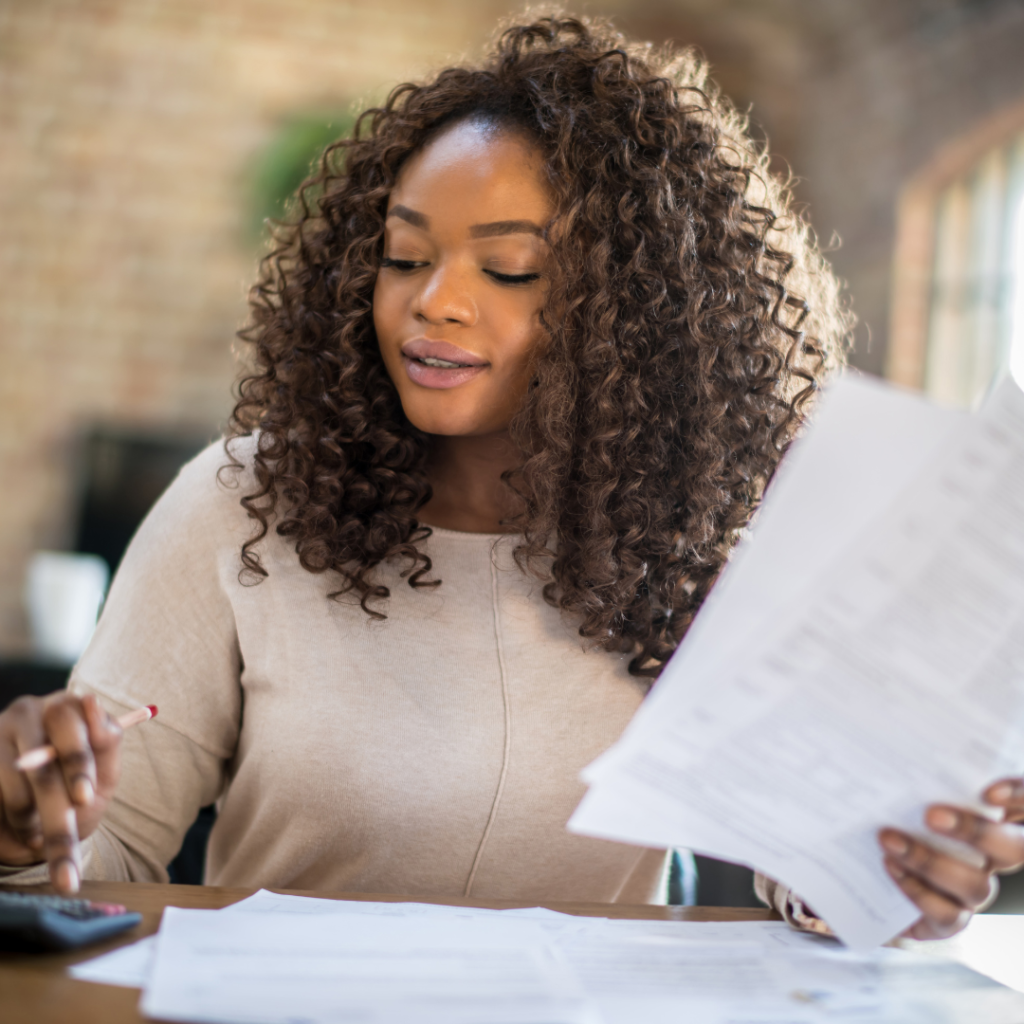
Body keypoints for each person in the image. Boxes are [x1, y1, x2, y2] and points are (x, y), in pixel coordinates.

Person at [0, 15, 1021, 941]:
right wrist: (19, 827)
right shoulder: (242, 509)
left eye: (510, 271)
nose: (433, 303)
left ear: (637, 315)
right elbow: (96, 866)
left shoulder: (708, 549)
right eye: (404, 258)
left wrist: (891, 877)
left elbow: (806, 866)